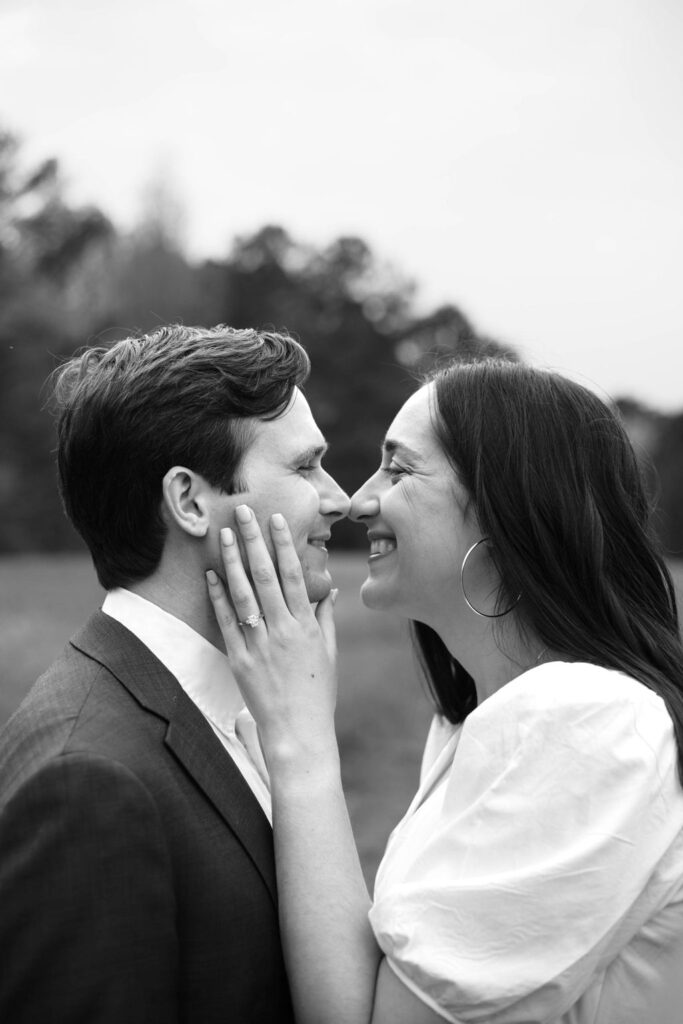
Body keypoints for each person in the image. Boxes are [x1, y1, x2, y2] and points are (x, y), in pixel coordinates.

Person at [207, 357, 683, 1024]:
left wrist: (301, 739)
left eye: (398, 469)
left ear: (505, 506)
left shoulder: (588, 724)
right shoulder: (483, 724)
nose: (356, 498)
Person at [0, 323, 349, 1023]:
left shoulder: (249, 708)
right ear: (190, 502)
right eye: (306, 467)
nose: (338, 498)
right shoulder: (87, 780)